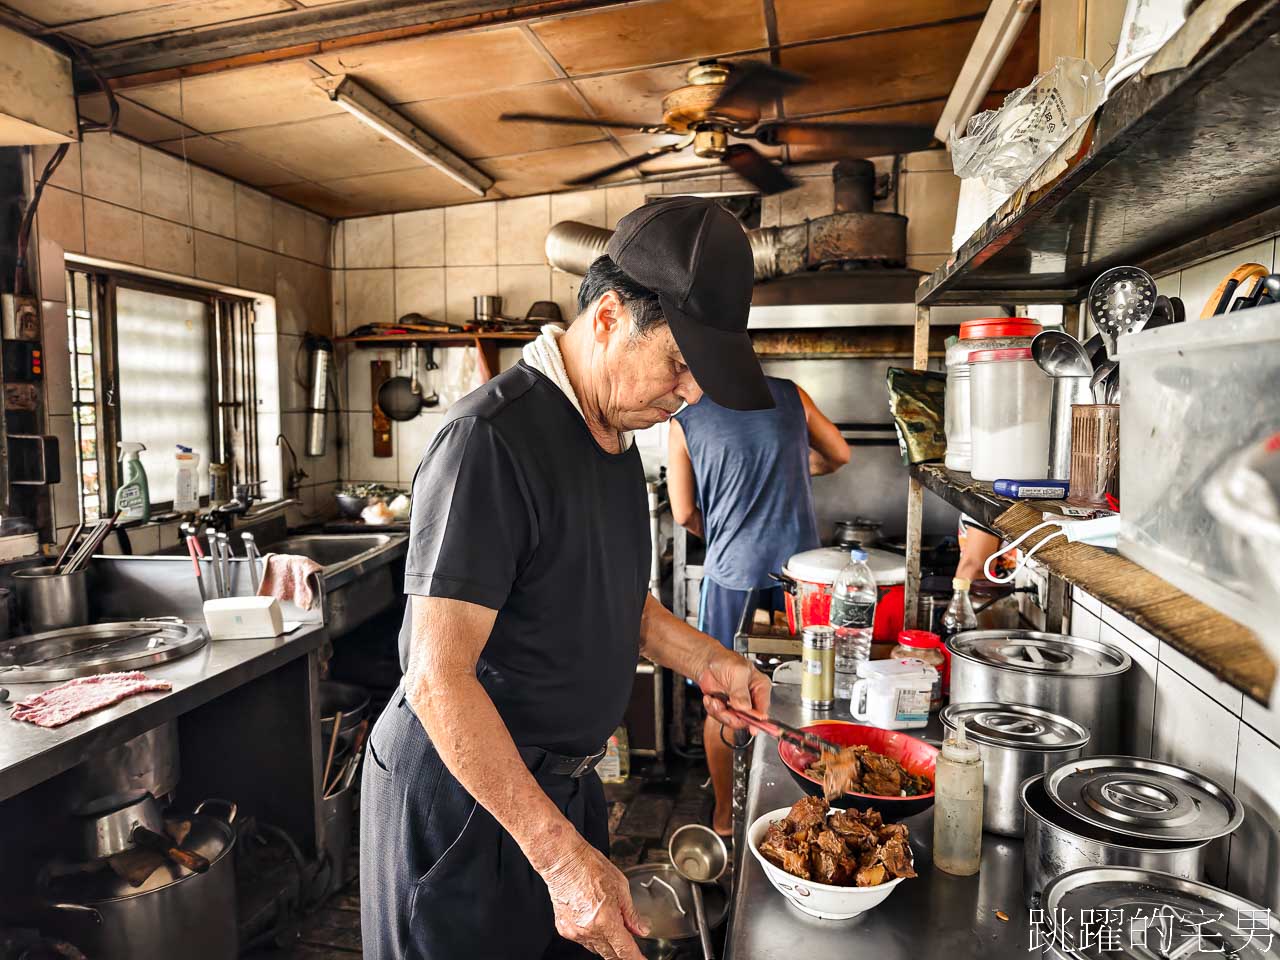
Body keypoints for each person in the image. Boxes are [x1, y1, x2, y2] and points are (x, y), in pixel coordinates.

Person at [360, 197, 772, 960]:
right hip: (465, 803)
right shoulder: (490, 442)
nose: (691, 395)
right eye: (680, 364)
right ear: (610, 317)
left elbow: (606, 593)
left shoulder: (614, 431)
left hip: (558, 789)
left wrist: (707, 661)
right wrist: (557, 856)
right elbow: (437, 678)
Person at [667, 377, 849, 836]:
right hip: (800, 579)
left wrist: (729, 536)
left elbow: (683, 512)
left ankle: (726, 819)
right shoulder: (791, 395)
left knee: (724, 699)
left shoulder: (684, 417)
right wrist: (796, 466)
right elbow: (840, 455)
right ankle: (800, 813)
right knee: (807, 693)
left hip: (732, 577)